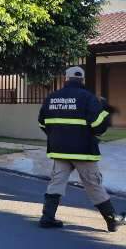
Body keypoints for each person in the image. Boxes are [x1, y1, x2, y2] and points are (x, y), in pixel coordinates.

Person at [38, 66, 125, 232]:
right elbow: (99, 127)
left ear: (66, 78)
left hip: (59, 149)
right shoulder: (88, 98)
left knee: (56, 181)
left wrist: (57, 135)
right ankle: (112, 220)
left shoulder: (52, 97)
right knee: (93, 184)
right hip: (83, 150)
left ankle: (47, 218)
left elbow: (42, 123)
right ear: (82, 80)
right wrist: (105, 111)